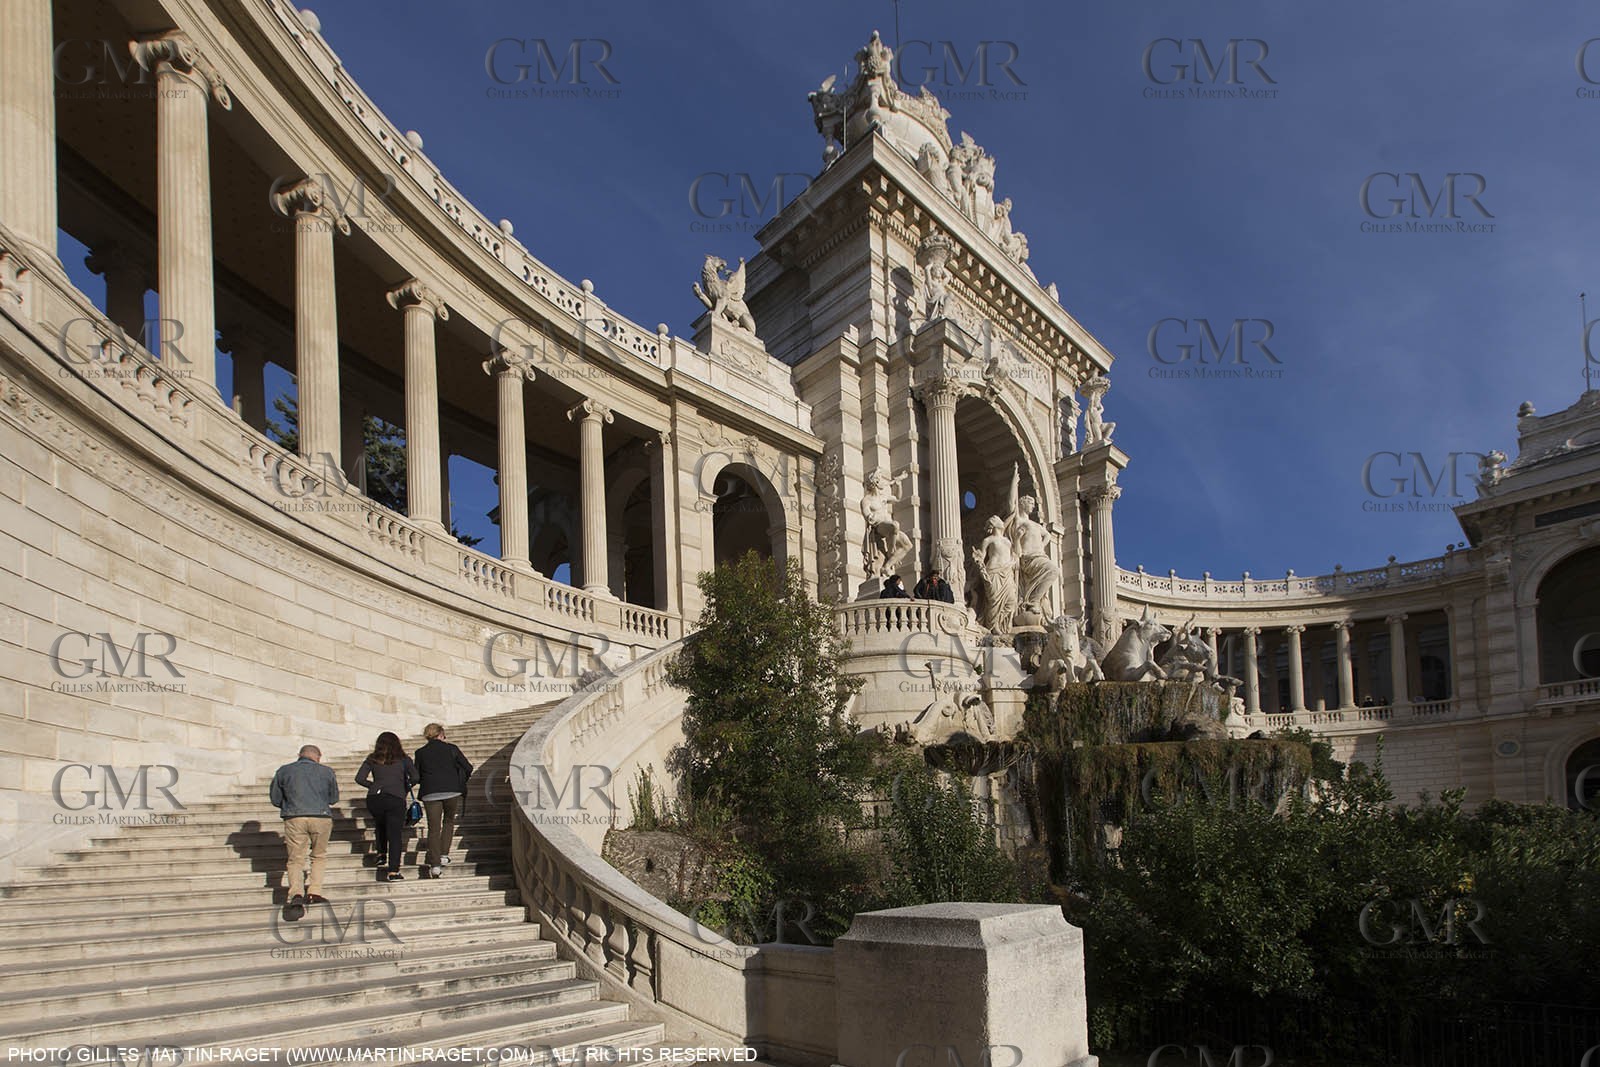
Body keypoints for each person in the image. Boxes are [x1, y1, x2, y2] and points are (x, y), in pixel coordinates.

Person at [269, 744, 338, 920]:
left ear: (299, 755)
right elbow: (334, 798)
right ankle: (314, 892)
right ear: (318, 756)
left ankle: (296, 893)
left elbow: (275, 798)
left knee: (295, 859)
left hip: (294, 817)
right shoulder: (327, 771)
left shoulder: (284, 771)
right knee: (318, 856)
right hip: (321, 817)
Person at [414, 723, 474, 879]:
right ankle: (444, 854)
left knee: (433, 828)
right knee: (448, 822)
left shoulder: (420, 753)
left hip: (430, 793)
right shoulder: (451, 748)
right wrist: (459, 779)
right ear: (440, 734)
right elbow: (468, 767)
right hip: (451, 790)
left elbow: (417, 775)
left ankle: (435, 865)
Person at [355, 731, 417, 881]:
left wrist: (374, 785)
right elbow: (415, 777)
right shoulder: (404, 759)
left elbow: (359, 778)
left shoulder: (372, 758)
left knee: (380, 824)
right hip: (395, 797)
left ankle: (381, 853)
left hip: (374, 797)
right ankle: (393, 871)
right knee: (394, 834)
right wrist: (404, 787)